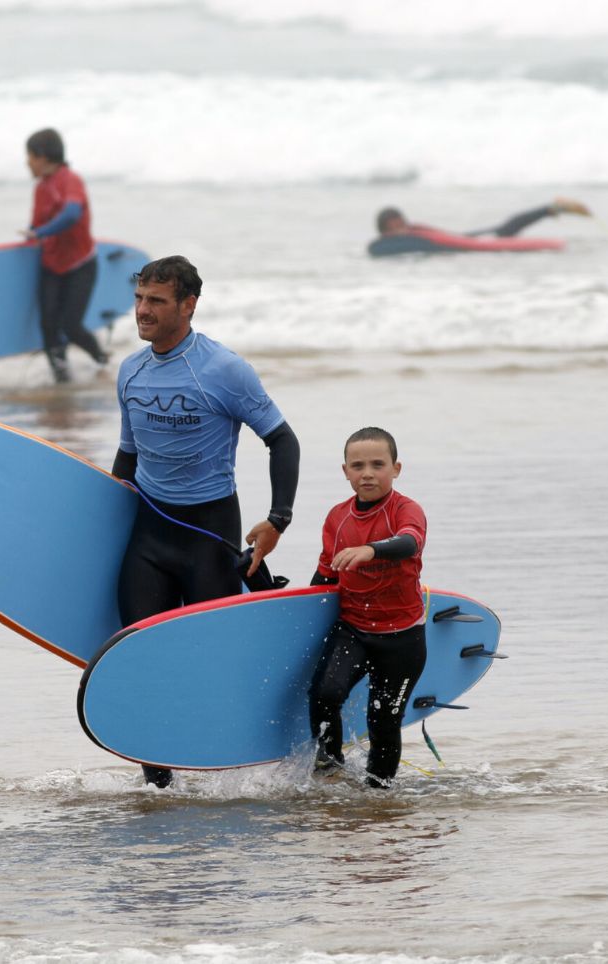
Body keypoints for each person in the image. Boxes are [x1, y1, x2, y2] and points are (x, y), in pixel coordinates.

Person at [111, 255, 301, 788]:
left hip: (209, 536)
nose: (143, 311)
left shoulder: (224, 370)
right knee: (138, 661)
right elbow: (127, 457)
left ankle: (224, 784)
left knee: (210, 669)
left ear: (188, 305)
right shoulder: (131, 370)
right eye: (139, 298)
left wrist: (277, 519)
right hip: (149, 534)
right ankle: (160, 793)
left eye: (157, 301)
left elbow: (282, 440)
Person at [306, 426, 428, 790]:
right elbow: (325, 577)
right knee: (325, 695)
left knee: (384, 721)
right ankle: (330, 770)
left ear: (396, 468)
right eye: (358, 465)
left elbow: (409, 543)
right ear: (345, 471)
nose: (368, 473)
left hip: (403, 638)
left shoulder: (406, 510)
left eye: (378, 464)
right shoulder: (337, 518)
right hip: (354, 629)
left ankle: (379, 797)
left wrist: (371, 550)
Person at [23, 128, 109, 384]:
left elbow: (71, 214)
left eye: (30, 156)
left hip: (80, 264)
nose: (27, 162)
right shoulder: (40, 189)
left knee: (71, 326)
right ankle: (63, 381)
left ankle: (102, 360)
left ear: (43, 157)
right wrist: (33, 235)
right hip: (51, 265)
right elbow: (35, 228)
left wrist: (41, 232)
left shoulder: (71, 180)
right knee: (48, 326)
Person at [375, 197, 591, 242]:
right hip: (461, 239)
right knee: (508, 228)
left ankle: (552, 208)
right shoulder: (400, 238)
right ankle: (550, 210)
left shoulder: (413, 231)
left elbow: (436, 237)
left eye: (398, 222)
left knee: (507, 228)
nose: (397, 227)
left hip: (464, 239)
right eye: (391, 225)